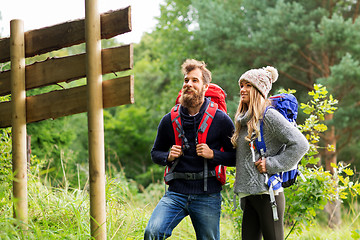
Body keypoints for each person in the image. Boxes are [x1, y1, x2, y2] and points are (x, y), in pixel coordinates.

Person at [144, 59, 236, 240]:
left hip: (207, 195)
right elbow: (155, 153)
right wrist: (168, 156)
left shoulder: (221, 119)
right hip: (175, 193)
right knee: (153, 232)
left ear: (205, 86)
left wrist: (213, 154)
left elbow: (235, 157)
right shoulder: (169, 119)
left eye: (195, 80)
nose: (189, 84)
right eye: (186, 80)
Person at [231, 66, 309, 240]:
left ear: (259, 90)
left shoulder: (269, 116)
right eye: (242, 85)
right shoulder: (244, 120)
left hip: (268, 195)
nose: (242, 89)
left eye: (248, 85)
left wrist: (272, 164)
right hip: (250, 194)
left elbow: (301, 144)